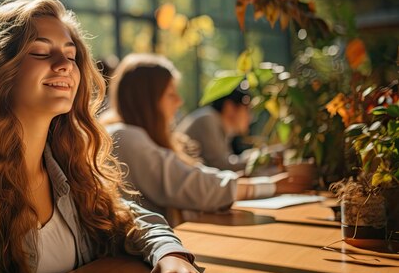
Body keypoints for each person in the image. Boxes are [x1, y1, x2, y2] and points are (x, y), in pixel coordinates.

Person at [0, 0, 202, 273]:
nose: (64, 65)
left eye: (71, 54)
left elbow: (133, 220)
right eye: (39, 52)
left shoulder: (68, 159)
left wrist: (170, 253)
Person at [101, 53, 313, 222]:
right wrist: (271, 185)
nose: (180, 102)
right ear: (147, 100)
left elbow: (193, 175)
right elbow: (192, 184)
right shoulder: (124, 137)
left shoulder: (134, 135)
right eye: (171, 94)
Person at [176, 84, 255, 172]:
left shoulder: (216, 123)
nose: (251, 117)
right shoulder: (208, 120)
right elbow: (220, 166)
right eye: (247, 110)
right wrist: (256, 161)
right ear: (229, 107)